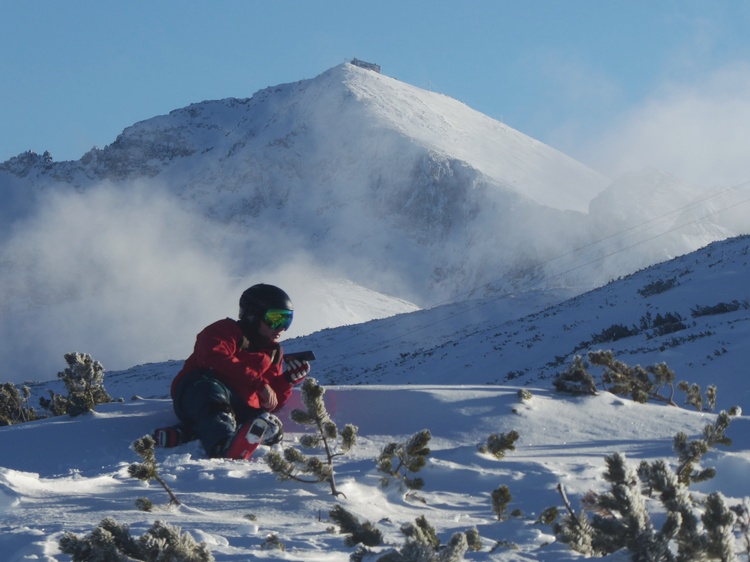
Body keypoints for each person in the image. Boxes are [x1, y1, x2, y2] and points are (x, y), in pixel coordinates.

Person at [166, 283, 311, 459]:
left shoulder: (273, 352)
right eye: (276, 319)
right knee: (211, 392)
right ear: (253, 315)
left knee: (269, 425)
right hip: (197, 393)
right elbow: (213, 358)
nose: (281, 327)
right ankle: (223, 445)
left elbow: (271, 402)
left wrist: (287, 380)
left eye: (287, 320)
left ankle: (189, 433)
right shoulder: (224, 330)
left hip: (238, 406)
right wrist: (259, 383)